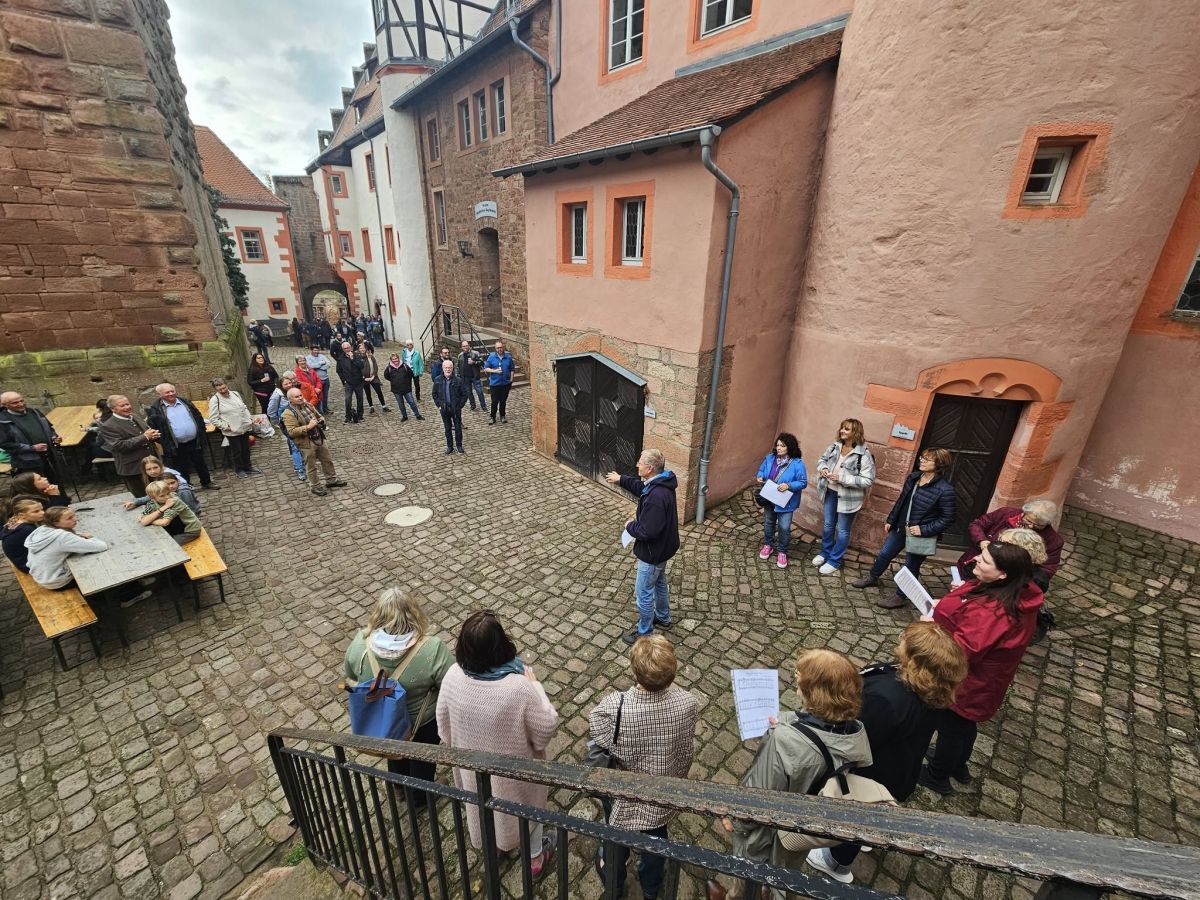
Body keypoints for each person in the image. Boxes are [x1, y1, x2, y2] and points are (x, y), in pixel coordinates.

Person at [805, 623, 967, 884]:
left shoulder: (890, 700)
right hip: (899, 767)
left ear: (915, 660)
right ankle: (864, 838)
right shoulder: (936, 689)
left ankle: (837, 862)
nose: (900, 639)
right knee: (869, 813)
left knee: (854, 815)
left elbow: (859, 737)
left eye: (906, 640)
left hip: (873, 771)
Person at [712, 649, 870, 899]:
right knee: (788, 869)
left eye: (800, 684)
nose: (796, 689)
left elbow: (759, 794)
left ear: (814, 694)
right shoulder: (854, 732)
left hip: (767, 832)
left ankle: (737, 897)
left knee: (751, 869)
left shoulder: (783, 742)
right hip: (803, 823)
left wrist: (737, 821)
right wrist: (785, 722)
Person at [436, 611, 559, 877]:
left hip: (473, 772)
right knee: (526, 815)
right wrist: (536, 687)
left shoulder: (452, 676)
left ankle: (496, 851)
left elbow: (443, 728)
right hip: (515, 777)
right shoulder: (519, 687)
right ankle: (535, 859)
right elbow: (546, 728)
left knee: (484, 811)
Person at [919, 542, 1042, 795]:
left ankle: (938, 776)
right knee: (965, 725)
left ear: (1003, 574)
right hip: (986, 681)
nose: (975, 559)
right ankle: (958, 765)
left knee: (952, 727)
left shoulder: (994, 612)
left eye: (984, 561)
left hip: (969, 683)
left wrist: (931, 627)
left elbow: (962, 651)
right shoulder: (1013, 590)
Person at [588, 636, 698, 900]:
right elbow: (685, 748)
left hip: (623, 789)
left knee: (616, 835)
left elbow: (597, 731)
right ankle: (651, 886)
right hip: (662, 790)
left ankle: (614, 880)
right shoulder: (687, 702)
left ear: (635, 671)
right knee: (656, 838)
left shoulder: (616, 706)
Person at [343, 587, 454, 790]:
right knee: (422, 760)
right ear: (414, 613)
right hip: (420, 722)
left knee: (393, 750)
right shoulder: (432, 648)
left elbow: (350, 673)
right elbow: (450, 684)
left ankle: (399, 787)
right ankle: (420, 796)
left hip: (385, 718)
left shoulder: (361, 641)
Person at [852, 448, 957, 608]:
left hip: (920, 535)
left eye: (927, 459)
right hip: (900, 527)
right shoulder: (914, 478)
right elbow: (902, 501)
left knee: (911, 565)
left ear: (939, 464)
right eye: (922, 457)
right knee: (884, 554)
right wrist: (891, 519)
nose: (922, 460)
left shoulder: (945, 490)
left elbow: (948, 518)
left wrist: (924, 530)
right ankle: (872, 577)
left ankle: (900, 597)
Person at [605, 449, 680, 646]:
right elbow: (642, 488)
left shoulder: (656, 497)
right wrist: (621, 479)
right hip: (664, 548)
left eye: (640, 463)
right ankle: (663, 617)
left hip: (652, 553)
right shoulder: (661, 482)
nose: (637, 465)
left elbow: (647, 531)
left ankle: (644, 632)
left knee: (643, 594)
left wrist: (630, 525)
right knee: (659, 583)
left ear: (650, 468)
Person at [812, 419, 876, 576]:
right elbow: (822, 460)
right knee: (828, 525)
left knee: (842, 530)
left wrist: (842, 478)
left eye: (847, 429)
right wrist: (824, 468)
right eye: (842, 428)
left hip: (849, 499)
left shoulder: (863, 454)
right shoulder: (834, 446)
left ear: (855, 432)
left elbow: (868, 480)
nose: (842, 431)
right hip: (830, 492)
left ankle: (834, 560)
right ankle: (825, 553)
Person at [957, 499, 1063, 591]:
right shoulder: (1005, 513)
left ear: (1048, 523)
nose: (1031, 526)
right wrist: (982, 541)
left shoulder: (1054, 541)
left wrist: (1019, 580)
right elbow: (977, 525)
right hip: (974, 566)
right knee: (960, 589)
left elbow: (1047, 569)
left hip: (1004, 582)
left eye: (1038, 525)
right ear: (1024, 513)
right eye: (1028, 520)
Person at [146, 383, 217, 492]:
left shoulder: (185, 402)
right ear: (160, 394)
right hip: (176, 444)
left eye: (172, 391)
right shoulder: (156, 409)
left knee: (200, 462)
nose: (171, 394)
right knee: (181, 467)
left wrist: (201, 430)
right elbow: (154, 428)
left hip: (194, 441)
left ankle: (206, 482)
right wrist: (165, 441)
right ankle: (186, 486)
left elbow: (198, 416)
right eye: (167, 392)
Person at [754, 433, 808, 569]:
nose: (778, 448)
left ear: (790, 447)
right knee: (769, 523)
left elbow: (803, 482)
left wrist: (789, 485)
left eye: (782, 446)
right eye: (777, 445)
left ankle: (782, 552)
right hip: (769, 497)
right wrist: (760, 476)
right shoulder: (770, 458)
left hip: (785, 502)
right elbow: (762, 470)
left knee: (784, 527)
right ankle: (768, 545)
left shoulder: (797, 463)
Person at [282, 387, 347, 496]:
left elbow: (319, 416)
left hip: (318, 437)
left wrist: (321, 420)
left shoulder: (308, 405)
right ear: (290, 399)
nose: (300, 398)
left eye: (300, 395)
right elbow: (292, 431)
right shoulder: (288, 413)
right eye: (297, 397)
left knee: (327, 460)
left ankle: (331, 480)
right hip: (306, 442)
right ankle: (315, 486)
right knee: (311, 466)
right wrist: (308, 427)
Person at [99, 395, 162, 496]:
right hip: (134, 469)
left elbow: (145, 432)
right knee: (144, 498)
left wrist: (153, 435)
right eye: (122, 406)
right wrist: (145, 437)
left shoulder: (134, 416)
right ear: (113, 409)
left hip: (151, 465)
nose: (127, 407)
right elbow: (119, 446)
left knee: (160, 495)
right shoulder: (108, 426)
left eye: (127, 404)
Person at [0, 391, 63, 482]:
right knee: (37, 486)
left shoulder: (34, 412)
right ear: (5, 405)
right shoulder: (3, 421)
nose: (21, 404)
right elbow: (5, 444)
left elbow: (49, 428)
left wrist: (54, 437)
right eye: (15, 403)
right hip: (27, 462)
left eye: (22, 400)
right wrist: (32, 448)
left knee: (55, 483)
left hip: (49, 456)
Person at [207, 379, 262, 478]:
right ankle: (239, 469)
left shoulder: (235, 394)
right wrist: (227, 427)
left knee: (246, 449)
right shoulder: (215, 400)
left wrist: (250, 419)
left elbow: (244, 408)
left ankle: (248, 467)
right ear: (215, 389)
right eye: (219, 390)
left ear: (227, 385)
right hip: (232, 431)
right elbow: (213, 418)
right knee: (237, 451)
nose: (223, 391)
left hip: (244, 427)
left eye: (224, 388)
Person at [267, 374, 307, 482]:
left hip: (299, 421)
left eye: (290, 383)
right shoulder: (277, 396)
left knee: (302, 443)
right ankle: (300, 469)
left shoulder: (294, 392)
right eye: (286, 384)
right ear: (281, 385)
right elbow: (271, 412)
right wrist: (280, 423)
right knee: (295, 446)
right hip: (287, 424)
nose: (289, 385)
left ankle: (303, 462)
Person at [138, 479, 202, 545]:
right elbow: (143, 521)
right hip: (175, 528)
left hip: (190, 530)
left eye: (168, 493)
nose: (167, 497)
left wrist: (150, 520)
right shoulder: (151, 503)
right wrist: (164, 507)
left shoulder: (174, 501)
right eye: (162, 496)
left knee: (168, 544)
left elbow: (164, 522)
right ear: (153, 498)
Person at [432, 359, 467, 455]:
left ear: (452, 368)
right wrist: (439, 405)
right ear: (443, 368)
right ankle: (450, 446)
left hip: (456, 409)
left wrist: (460, 406)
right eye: (446, 367)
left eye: (450, 367)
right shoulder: (437, 380)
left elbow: (464, 394)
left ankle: (459, 445)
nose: (448, 369)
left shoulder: (458, 380)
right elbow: (434, 394)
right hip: (444, 409)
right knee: (447, 428)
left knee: (458, 428)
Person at [1, 497, 45, 573]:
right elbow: (44, 546)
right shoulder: (26, 529)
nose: (43, 513)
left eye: (42, 509)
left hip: (22, 561)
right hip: (28, 566)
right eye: (36, 511)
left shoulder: (15, 521)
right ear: (21, 515)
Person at [384, 352, 423, 422]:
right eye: (393, 359)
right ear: (391, 360)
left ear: (398, 358)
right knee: (401, 404)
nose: (395, 360)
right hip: (396, 390)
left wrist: (407, 382)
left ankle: (417, 415)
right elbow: (386, 376)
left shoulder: (404, 366)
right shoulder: (389, 368)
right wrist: (393, 381)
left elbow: (411, 374)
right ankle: (404, 416)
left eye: (396, 358)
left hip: (406, 389)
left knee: (412, 402)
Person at [482, 340, 514, 424]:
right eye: (498, 348)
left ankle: (502, 416)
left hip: (505, 384)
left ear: (503, 347)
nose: (500, 349)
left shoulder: (508, 357)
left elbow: (512, 369)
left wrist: (511, 381)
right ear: (495, 348)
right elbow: (486, 368)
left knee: (503, 401)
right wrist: (495, 371)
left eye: (501, 347)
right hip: (495, 384)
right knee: (494, 401)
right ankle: (492, 417)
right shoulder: (491, 357)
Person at [336, 341, 365, 424]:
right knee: (348, 400)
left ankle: (360, 415)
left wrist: (352, 358)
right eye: (345, 348)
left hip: (358, 381)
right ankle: (348, 416)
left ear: (351, 347)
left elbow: (361, 365)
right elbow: (339, 370)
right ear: (343, 349)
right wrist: (343, 380)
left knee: (360, 399)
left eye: (348, 348)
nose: (347, 349)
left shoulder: (357, 355)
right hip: (348, 383)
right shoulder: (340, 358)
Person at [458, 341, 487, 413]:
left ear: (469, 346)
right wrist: (459, 375)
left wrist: (474, 362)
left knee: (479, 391)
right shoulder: (460, 355)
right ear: (462, 347)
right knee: (468, 392)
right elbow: (458, 366)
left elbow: (482, 362)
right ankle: (473, 405)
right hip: (465, 377)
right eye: (464, 346)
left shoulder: (475, 353)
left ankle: (483, 406)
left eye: (466, 345)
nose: (465, 347)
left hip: (475, 376)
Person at [360, 344, 390, 413]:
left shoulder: (370, 356)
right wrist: (364, 378)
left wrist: (373, 376)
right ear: (359, 349)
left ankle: (384, 406)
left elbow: (375, 366)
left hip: (373, 377)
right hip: (364, 379)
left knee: (379, 391)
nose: (362, 349)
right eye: (361, 348)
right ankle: (371, 406)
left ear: (366, 349)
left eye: (363, 348)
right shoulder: (358, 358)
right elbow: (358, 370)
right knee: (368, 393)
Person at [304, 345, 332, 414]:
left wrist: (318, 367)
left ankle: (325, 408)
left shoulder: (322, 356)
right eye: (314, 350)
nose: (316, 352)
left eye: (317, 350)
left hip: (326, 379)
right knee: (318, 396)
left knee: (325, 395)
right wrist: (321, 363)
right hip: (317, 381)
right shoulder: (308, 358)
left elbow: (328, 364)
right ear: (311, 351)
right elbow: (310, 366)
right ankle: (319, 410)